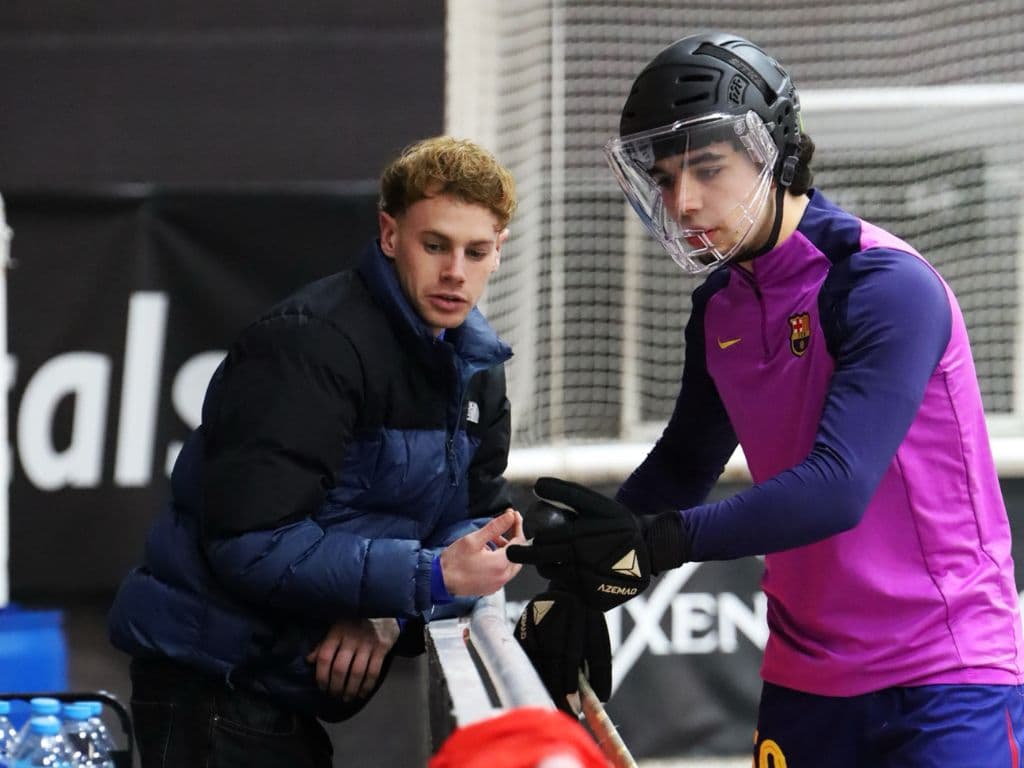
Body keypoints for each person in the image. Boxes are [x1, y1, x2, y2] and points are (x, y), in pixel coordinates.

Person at [508, 31, 1024, 767]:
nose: (682, 201)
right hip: (803, 680)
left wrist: (655, 546)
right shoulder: (720, 305)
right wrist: (580, 584)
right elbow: (683, 467)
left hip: (944, 680)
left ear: (776, 152)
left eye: (706, 168)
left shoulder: (884, 286)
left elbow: (836, 488)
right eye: (662, 178)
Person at [108, 135, 526, 768]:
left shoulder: (477, 366)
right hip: (213, 684)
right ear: (390, 235)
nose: (455, 272)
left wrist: (391, 614)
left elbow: (474, 523)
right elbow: (250, 542)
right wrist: (425, 578)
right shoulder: (310, 345)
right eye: (434, 244)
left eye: (476, 251)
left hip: (273, 688)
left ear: (500, 251)